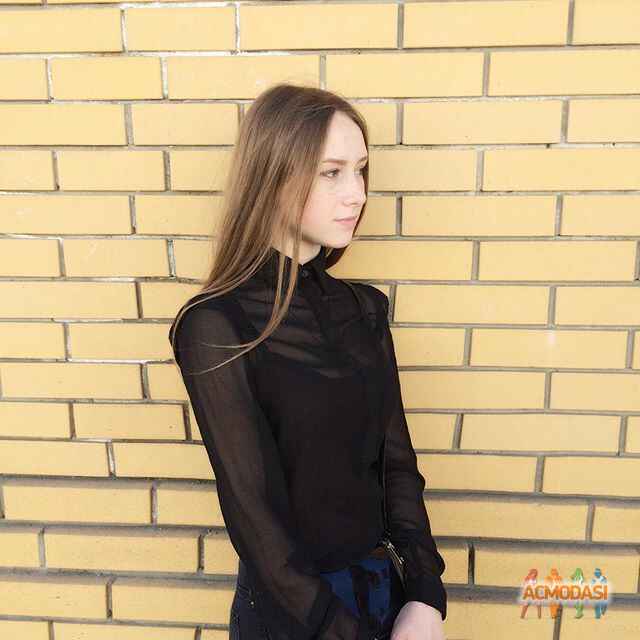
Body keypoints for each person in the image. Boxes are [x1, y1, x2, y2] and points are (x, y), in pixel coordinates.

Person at [168, 83, 447, 640]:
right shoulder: (217, 324)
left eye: (361, 171)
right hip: (295, 616)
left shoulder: (364, 310)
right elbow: (253, 514)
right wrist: (338, 628)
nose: (357, 194)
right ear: (272, 176)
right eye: (331, 173)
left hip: (385, 598)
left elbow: (396, 464)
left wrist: (424, 593)